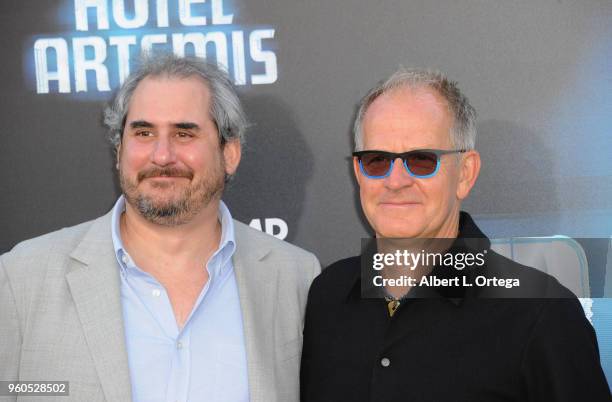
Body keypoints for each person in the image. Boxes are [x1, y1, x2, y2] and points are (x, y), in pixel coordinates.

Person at [0, 53, 320, 402]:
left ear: (229, 153)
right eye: (144, 132)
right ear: (120, 150)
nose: (162, 155)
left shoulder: (296, 278)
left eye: (184, 133)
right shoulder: (22, 278)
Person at [300, 68, 611, 401]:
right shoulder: (327, 296)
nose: (395, 180)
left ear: (465, 173)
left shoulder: (542, 314)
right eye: (377, 161)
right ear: (358, 173)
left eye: (421, 160)